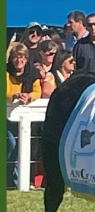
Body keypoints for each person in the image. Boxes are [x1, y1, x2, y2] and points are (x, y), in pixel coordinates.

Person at [6, 43, 42, 187]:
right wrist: (14, 96)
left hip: (26, 116)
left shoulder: (33, 73)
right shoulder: (6, 72)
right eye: (15, 57)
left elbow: (37, 91)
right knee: (11, 143)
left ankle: (16, 181)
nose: (18, 61)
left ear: (26, 59)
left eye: (21, 57)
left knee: (24, 147)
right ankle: (8, 177)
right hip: (7, 115)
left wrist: (29, 97)